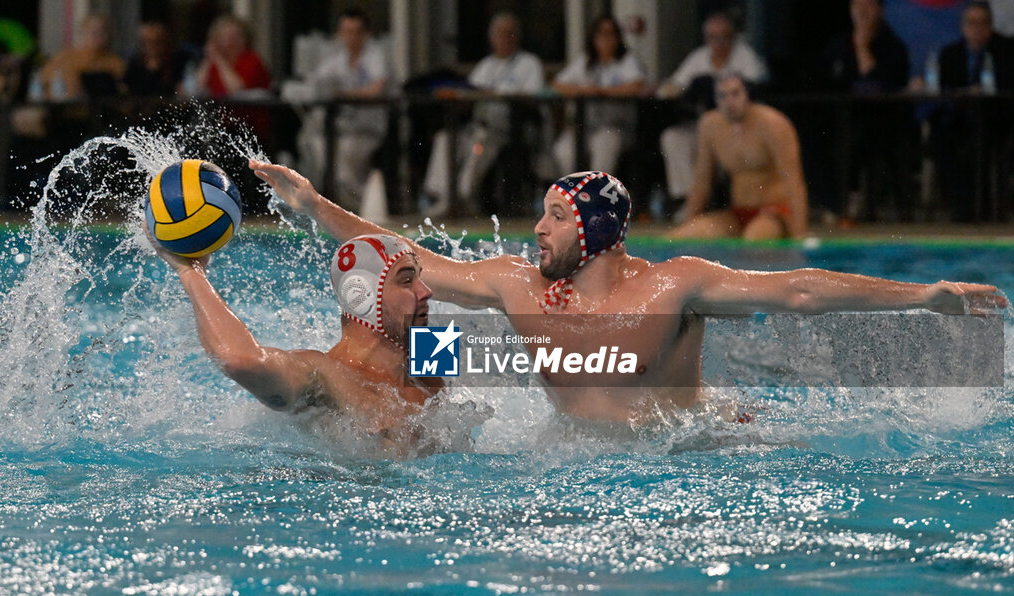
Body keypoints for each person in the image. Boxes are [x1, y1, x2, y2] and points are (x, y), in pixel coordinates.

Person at [251, 159, 1005, 424]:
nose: (535, 230)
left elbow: (800, 290)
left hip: (693, 452)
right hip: (575, 455)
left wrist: (923, 296)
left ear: (595, 232)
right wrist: (314, 206)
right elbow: (406, 254)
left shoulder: (676, 285)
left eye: (553, 217)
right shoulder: (517, 286)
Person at [145, 226, 441, 451]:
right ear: (361, 297)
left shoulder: (430, 355)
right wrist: (191, 272)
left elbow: (475, 286)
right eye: (407, 280)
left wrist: (314, 205)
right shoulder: (325, 374)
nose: (426, 291)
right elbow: (240, 360)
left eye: (420, 277)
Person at [421, 12, 544, 217]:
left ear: (517, 36)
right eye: (499, 34)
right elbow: (469, 93)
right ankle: (440, 196)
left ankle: (461, 197)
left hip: (508, 131)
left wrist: (490, 93)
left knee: (479, 145)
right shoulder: (487, 65)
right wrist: (455, 93)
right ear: (491, 37)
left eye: (509, 34)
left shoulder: (529, 63)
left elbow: (534, 97)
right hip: (476, 126)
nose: (504, 39)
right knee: (445, 138)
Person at [666, 73, 807, 240]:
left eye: (735, 94)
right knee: (679, 237)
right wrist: (689, 224)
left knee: (752, 240)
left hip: (774, 213)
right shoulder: (710, 126)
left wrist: (800, 236)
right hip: (738, 213)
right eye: (722, 96)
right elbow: (701, 183)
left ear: (747, 95)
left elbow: (794, 182)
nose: (729, 101)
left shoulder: (772, 124)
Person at [657, 12, 768, 219]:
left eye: (724, 36)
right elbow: (669, 88)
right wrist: (687, 88)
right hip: (705, 127)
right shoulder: (699, 58)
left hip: (738, 129)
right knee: (673, 137)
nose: (719, 42)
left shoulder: (745, 57)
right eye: (713, 37)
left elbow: (759, 87)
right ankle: (689, 200)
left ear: (733, 37)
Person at [824, 0, 911, 222]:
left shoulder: (894, 45)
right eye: (856, 5)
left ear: (880, 10)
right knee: (819, 135)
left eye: (868, 5)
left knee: (860, 139)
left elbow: (877, 80)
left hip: (886, 121)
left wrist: (862, 46)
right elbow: (830, 81)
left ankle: (857, 203)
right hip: (844, 118)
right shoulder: (839, 43)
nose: (862, 11)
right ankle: (834, 204)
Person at [301, 8, 392, 212]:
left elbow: (376, 90)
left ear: (366, 34)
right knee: (315, 144)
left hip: (369, 129)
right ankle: (344, 208)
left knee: (344, 160)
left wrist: (342, 93)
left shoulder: (375, 56)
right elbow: (315, 83)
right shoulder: (337, 59)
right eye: (345, 31)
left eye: (356, 31)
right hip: (341, 128)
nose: (350, 37)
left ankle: (363, 209)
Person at [932, 1, 1014, 221]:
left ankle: (986, 209)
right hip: (959, 120)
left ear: (990, 26)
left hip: (996, 120)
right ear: (963, 26)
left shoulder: (1006, 50)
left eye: (982, 23)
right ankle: (962, 209)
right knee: (942, 140)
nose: (977, 28)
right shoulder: (951, 54)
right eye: (971, 22)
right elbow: (943, 91)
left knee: (983, 145)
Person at [549, 14, 648, 176]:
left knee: (604, 145)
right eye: (601, 34)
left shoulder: (626, 59)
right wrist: (581, 90)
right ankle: (578, 195)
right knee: (563, 150)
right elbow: (557, 84)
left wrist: (602, 91)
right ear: (593, 37)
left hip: (617, 127)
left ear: (618, 37)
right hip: (586, 127)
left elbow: (637, 85)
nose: (605, 39)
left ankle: (596, 197)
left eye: (610, 34)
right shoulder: (586, 60)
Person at [34, 15, 124, 100]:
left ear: (108, 35)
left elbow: (124, 94)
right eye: (92, 31)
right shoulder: (64, 58)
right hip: (60, 110)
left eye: (101, 32)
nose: (96, 36)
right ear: (83, 33)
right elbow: (40, 85)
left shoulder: (115, 63)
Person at [195, 14, 270, 97]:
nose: (231, 42)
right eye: (225, 37)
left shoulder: (252, 60)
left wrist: (219, 60)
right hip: (220, 108)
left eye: (236, 37)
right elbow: (198, 87)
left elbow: (236, 90)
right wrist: (209, 58)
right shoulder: (214, 63)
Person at [123, 21, 189, 97]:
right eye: (147, 43)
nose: (151, 48)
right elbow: (125, 92)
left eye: (156, 43)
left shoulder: (175, 64)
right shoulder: (135, 65)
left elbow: (181, 93)